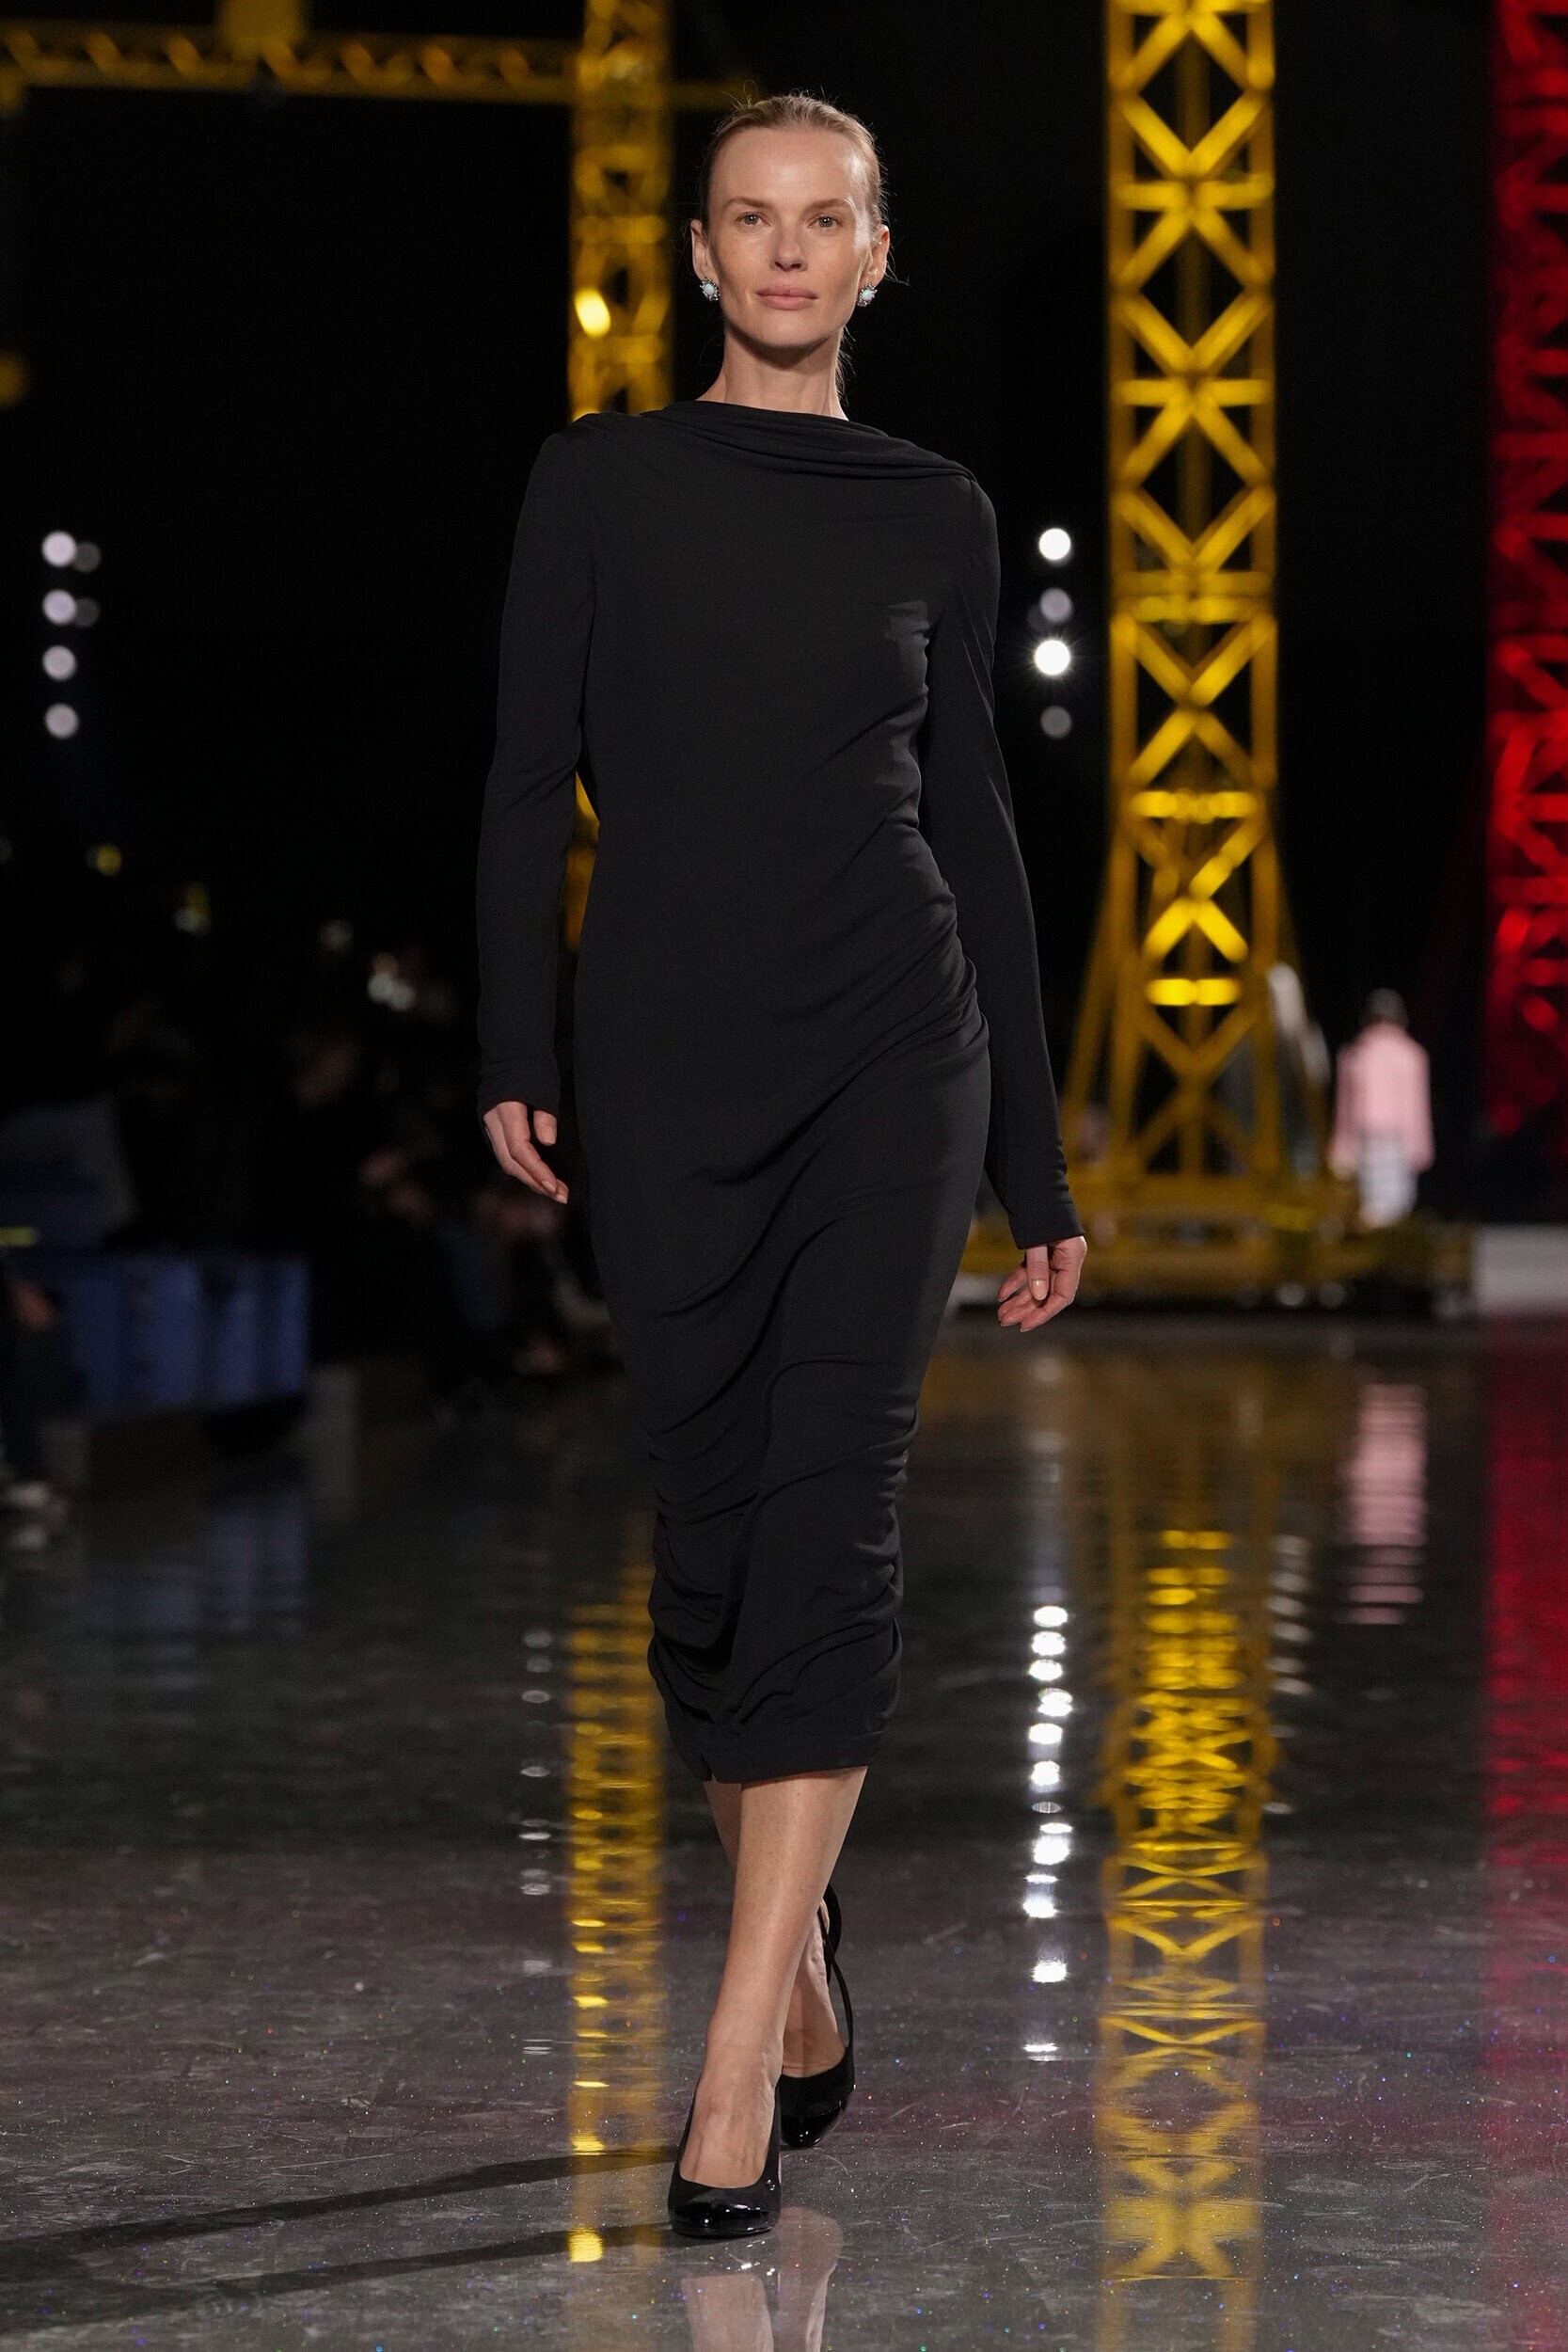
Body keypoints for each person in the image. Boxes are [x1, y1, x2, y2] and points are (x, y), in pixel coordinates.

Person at [476, 91, 1086, 2238]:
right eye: (753, 217)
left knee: (832, 1510)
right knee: (719, 1546)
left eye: (826, 217)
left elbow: (973, 826)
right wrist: (511, 1041)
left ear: (875, 252)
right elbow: (524, 771)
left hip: (887, 1059)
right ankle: (801, 1951)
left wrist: (1033, 1158)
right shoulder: (601, 482)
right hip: (664, 1059)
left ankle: (731, 2058)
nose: (790, 249)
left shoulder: (933, 508)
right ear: (705, 253)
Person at [1328, 989, 1434, 1229]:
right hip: (1393, 1139)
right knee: (1391, 1204)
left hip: (1371, 1138)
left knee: (1376, 1202)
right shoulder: (1410, 1055)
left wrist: (1342, 1147)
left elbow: (1345, 1111)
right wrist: (1420, 1147)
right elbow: (1416, 1109)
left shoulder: (1356, 1055)